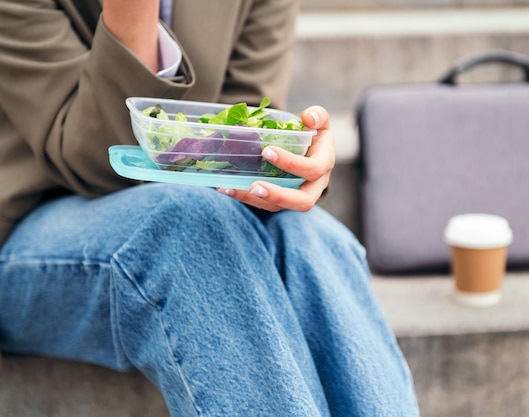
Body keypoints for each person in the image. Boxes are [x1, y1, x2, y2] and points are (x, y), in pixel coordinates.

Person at [0, 0, 420, 416]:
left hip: (194, 208)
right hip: (26, 231)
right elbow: (98, 165)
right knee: (186, 229)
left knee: (311, 235)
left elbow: (237, 140)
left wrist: (292, 158)